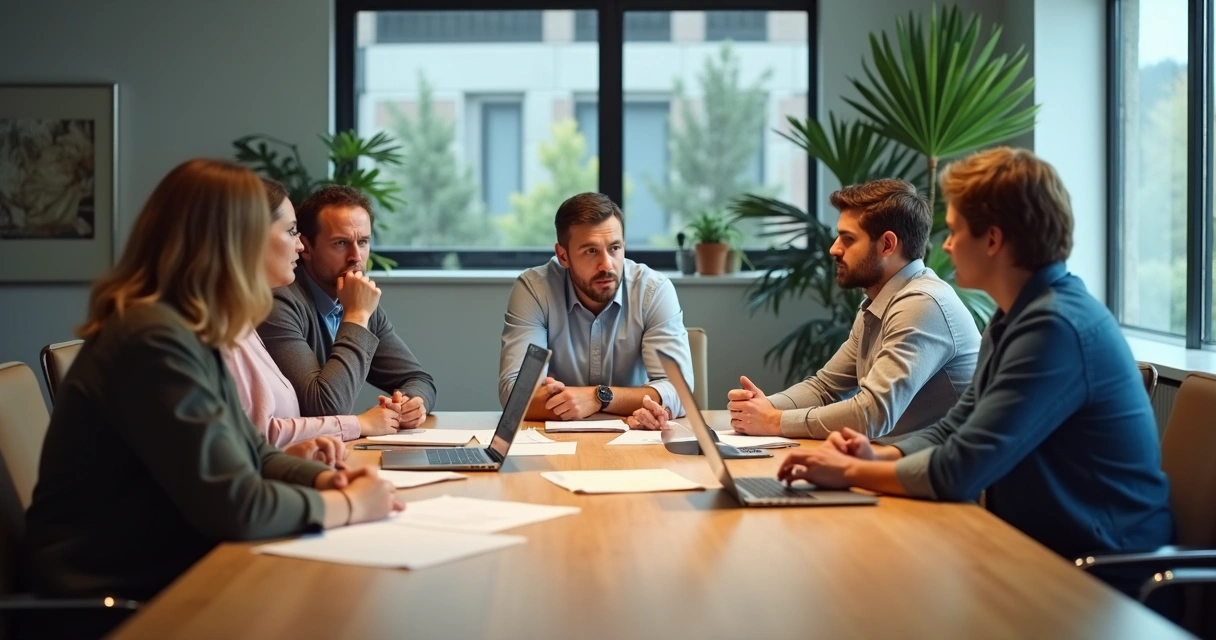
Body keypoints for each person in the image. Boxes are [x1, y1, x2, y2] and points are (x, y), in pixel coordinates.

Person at [22, 159, 403, 638]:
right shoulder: (153, 341)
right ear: (237, 240)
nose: (302, 245)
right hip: (120, 603)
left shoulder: (187, 329)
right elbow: (238, 507)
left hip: (171, 571)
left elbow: (254, 450)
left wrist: (328, 477)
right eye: (290, 231)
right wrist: (350, 505)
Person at [776, 148, 1174, 595]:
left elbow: (959, 470)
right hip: (1038, 553)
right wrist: (876, 458)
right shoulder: (1014, 318)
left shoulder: (1054, 328)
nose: (944, 245)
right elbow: (953, 428)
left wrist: (848, 473)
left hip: (1098, 577)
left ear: (993, 240)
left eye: (955, 231)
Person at [721, 178, 979, 440]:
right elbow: (826, 387)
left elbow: (872, 414)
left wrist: (775, 421)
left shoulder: (922, 304)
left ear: (887, 245)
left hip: (937, 474)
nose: (834, 248)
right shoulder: (879, 302)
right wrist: (763, 408)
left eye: (848, 238)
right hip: (896, 462)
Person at [222, 179, 403, 466]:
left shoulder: (237, 319)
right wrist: (360, 424)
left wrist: (407, 405)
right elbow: (278, 427)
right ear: (250, 238)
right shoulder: (271, 307)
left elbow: (419, 379)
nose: (298, 244)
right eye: (292, 232)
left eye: (364, 242)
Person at [499, 192, 693, 423]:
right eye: (591, 251)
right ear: (563, 255)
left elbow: (679, 393)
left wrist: (598, 397)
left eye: (614, 248)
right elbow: (515, 395)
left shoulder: (653, 291)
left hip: (633, 440)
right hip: (554, 446)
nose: (607, 264)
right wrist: (635, 399)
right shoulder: (535, 290)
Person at [258, 185, 436, 423]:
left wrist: (412, 404)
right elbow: (324, 408)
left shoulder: (356, 300)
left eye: (362, 242)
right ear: (307, 248)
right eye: (341, 243)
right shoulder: (279, 303)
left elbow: (419, 379)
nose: (356, 256)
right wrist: (358, 315)